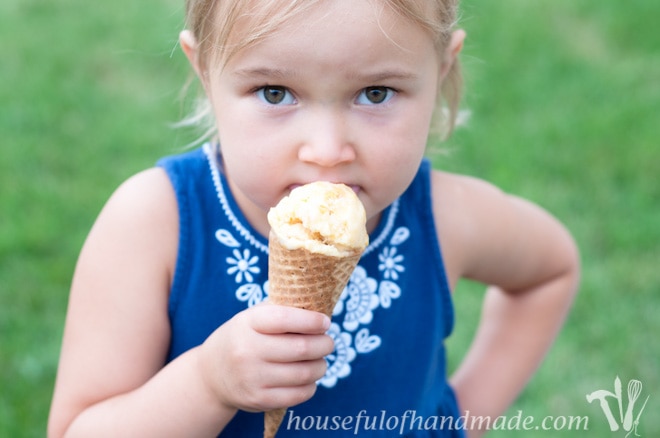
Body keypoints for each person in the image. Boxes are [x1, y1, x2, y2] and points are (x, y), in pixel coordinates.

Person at [48, 0, 580, 436]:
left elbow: (550, 270)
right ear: (206, 72)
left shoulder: (447, 214)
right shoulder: (153, 223)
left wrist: (459, 420)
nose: (327, 151)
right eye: (275, 93)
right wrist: (206, 385)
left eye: (376, 93)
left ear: (440, 71)